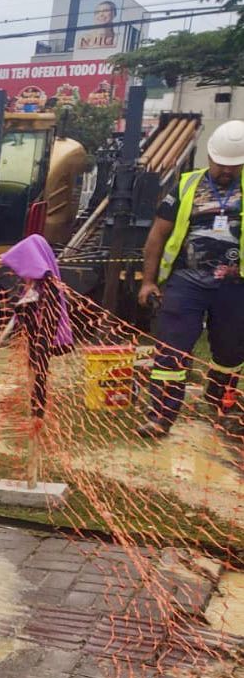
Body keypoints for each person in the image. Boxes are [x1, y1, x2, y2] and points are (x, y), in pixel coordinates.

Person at [136, 120, 244, 439]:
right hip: (187, 282)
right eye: (220, 164)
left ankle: (222, 405)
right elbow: (157, 236)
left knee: (230, 351)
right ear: (209, 156)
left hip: (235, 287)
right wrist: (148, 281)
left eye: (232, 166)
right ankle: (160, 416)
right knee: (172, 349)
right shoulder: (186, 185)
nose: (225, 171)